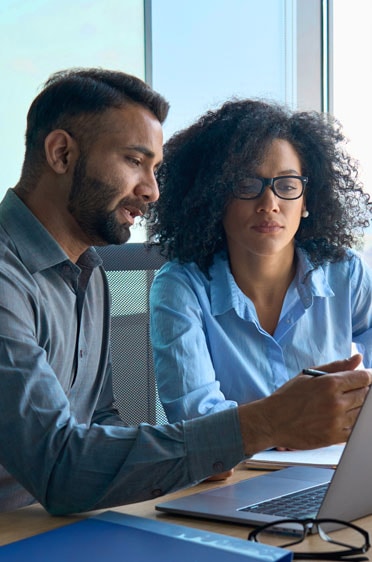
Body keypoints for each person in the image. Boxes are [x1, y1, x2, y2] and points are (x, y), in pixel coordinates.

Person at [0, 70, 370, 516]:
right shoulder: (8, 278)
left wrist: (192, 454)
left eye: (154, 169)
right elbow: (60, 468)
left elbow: (99, 422)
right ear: (61, 153)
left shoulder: (88, 273)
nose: (153, 191)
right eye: (134, 162)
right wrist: (264, 423)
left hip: (65, 522)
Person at [149, 98, 372, 455]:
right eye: (248, 184)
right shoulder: (180, 287)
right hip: (232, 480)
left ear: (306, 199)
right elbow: (197, 424)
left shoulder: (344, 271)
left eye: (286, 185)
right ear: (215, 197)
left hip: (332, 467)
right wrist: (284, 428)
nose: (269, 203)